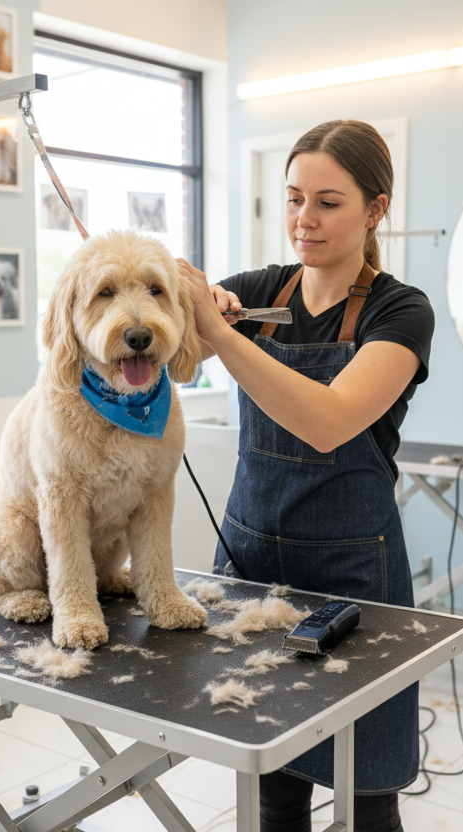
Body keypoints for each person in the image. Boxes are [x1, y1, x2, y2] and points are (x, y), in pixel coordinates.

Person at [178, 119, 434, 832]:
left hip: (353, 574)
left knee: (366, 785)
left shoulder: (400, 310)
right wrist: (175, 286)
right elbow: (168, 335)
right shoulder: (257, 292)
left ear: (375, 209)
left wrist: (222, 334)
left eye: (328, 201)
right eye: (294, 199)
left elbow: (328, 422)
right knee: (273, 778)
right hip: (251, 562)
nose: (304, 220)